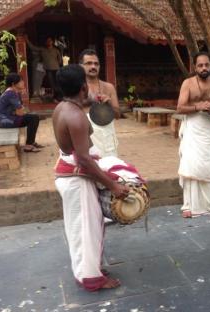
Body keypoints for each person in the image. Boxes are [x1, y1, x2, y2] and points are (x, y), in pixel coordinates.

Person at [52, 64, 129, 291]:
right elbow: (84, 160)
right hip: (78, 180)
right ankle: (91, 279)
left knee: (81, 228)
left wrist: (92, 100)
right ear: (84, 86)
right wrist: (112, 185)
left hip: (70, 176)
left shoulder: (61, 108)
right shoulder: (76, 118)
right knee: (86, 230)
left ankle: (89, 269)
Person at [176, 51, 210, 218]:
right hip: (194, 128)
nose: (204, 68)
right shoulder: (188, 83)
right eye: (200, 65)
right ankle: (188, 205)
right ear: (195, 67)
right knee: (192, 164)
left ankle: (209, 204)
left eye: (206, 65)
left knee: (209, 164)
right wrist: (197, 107)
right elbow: (180, 108)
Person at [79, 49, 120, 157]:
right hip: (86, 139)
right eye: (88, 63)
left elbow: (117, 115)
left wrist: (109, 104)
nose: (93, 67)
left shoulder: (109, 87)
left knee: (110, 170)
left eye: (96, 64)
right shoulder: (77, 88)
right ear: (81, 66)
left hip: (107, 140)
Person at [0, 73, 43, 153]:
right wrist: (20, 111)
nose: (23, 82)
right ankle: (29, 145)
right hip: (4, 120)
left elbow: (21, 109)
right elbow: (20, 112)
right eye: (20, 81)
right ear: (13, 84)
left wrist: (21, 110)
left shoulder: (13, 92)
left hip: (3, 119)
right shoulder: (11, 94)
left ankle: (31, 142)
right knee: (33, 118)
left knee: (33, 117)